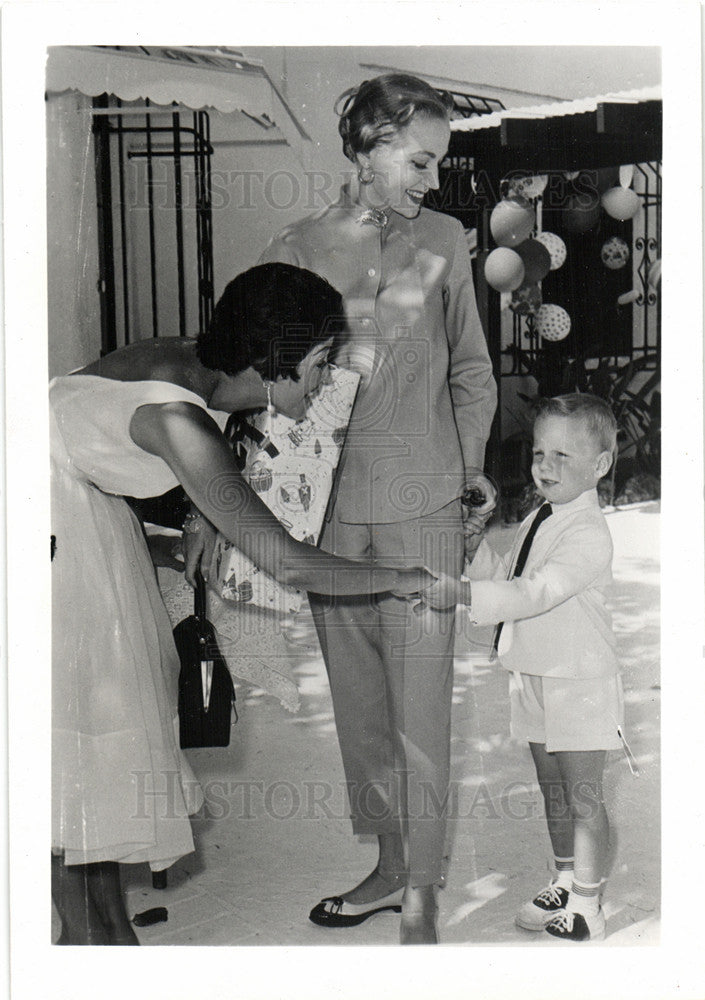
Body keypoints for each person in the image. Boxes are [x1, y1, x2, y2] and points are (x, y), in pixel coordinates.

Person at [50, 262, 433, 945]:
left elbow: (141, 427)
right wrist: (399, 579)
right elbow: (283, 557)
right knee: (81, 761)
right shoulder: (178, 420)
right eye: (319, 365)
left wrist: (200, 512)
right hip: (56, 540)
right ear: (275, 358)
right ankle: (88, 952)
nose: (320, 386)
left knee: (92, 779)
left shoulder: (189, 365)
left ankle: (108, 944)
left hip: (84, 517)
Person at [256, 73, 497, 944]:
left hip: (423, 503)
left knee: (422, 707)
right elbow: (276, 381)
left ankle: (424, 893)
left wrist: (465, 476)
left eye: (438, 162)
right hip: (328, 515)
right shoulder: (296, 241)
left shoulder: (445, 239)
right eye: (417, 159)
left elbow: (471, 369)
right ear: (364, 145)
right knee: (360, 709)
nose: (431, 178)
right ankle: (390, 865)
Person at [423, 394, 623, 942]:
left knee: (582, 794)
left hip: (577, 679)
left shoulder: (587, 532)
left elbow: (535, 593)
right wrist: (474, 555)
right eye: (539, 452)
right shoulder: (541, 515)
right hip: (534, 673)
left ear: (601, 465)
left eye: (562, 454)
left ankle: (588, 904)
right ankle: (565, 875)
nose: (545, 466)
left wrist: (462, 592)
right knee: (552, 786)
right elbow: (508, 576)